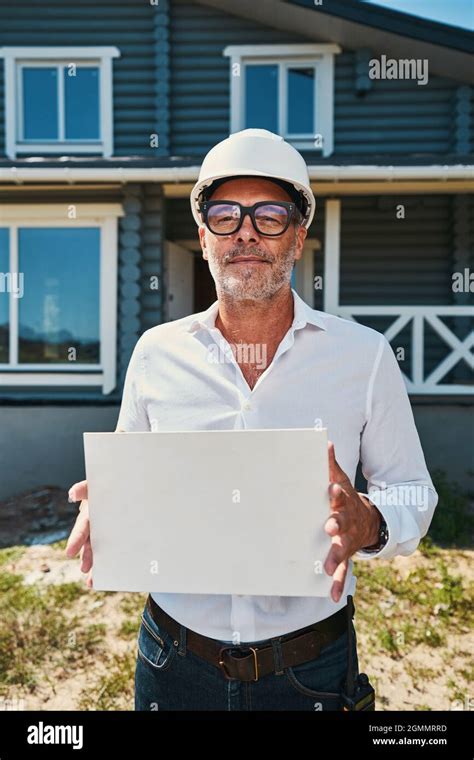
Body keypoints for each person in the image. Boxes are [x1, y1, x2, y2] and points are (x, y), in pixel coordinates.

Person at [65, 128, 438, 711]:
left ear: (298, 236)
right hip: (173, 661)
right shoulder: (155, 353)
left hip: (310, 669)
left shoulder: (363, 357)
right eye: (225, 214)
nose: (245, 232)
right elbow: (128, 477)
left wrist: (371, 523)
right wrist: (105, 505)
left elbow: (414, 492)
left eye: (268, 215)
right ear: (204, 237)